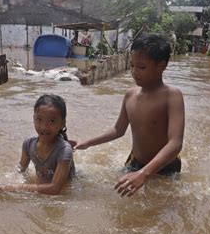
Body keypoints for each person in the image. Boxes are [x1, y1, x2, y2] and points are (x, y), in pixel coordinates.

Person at [74, 33, 185, 197]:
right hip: (135, 162)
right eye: (131, 66)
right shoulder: (130, 95)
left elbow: (175, 143)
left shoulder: (172, 96)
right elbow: (118, 130)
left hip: (165, 168)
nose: (134, 72)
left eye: (141, 67)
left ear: (161, 66)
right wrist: (88, 142)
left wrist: (144, 174)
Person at [0, 94, 75, 195]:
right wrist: (6, 183)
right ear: (33, 118)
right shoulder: (28, 144)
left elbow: (55, 189)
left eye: (52, 121)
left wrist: (15, 188)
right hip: (42, 186)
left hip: (66, 190)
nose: (44, 127)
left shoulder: (64, 150)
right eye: (39, 119)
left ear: (62, 124)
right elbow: (20, 170)